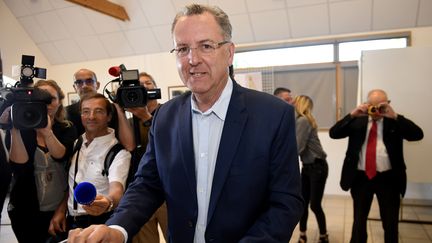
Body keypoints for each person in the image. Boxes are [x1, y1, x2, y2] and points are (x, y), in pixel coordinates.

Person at [67, 4, 303, 243]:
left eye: (206, 46)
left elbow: (285, 203)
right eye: (182, 48)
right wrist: (117, 229)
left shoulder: (273, 115)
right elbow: (148, 184)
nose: (193, 59)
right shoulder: (165, 116)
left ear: (229, 53)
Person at [329, 89, 423, 243]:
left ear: (388, 104)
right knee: (359, 221)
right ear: (366, 104)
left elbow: (417, 134)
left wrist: (396, 116)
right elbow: (334, 133)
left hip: (388, 179)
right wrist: (352, 114)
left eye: (380, 106)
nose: (376, 110)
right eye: (372, 105)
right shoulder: (358, 120)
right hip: (361, 178)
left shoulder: (394, 121)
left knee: (390, 222)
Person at [5, 80, 77, 243]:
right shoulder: (20, 128)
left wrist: (47, 132)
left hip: (59, 206)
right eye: (39, 97)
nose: (44, 103)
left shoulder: (67, 127)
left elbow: (61, 156)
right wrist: (14, 130)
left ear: (59, 102)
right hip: (25, 208)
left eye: (50, 98)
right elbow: (19, 166)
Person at [50, 93, 131, 236]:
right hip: (72, 223)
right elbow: (73, 182)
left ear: (109, 117)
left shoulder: (118, 152)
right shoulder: (78, 143)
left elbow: (117, 190)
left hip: (102, 224)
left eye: (98, 111)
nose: (91, 117)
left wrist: (108, 202)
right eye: (86, 111)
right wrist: (61, 210)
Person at [126, 72, 168, 243]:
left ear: (155, 88)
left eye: (148, 83)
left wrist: (146, 117)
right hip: (142, 190)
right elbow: (128, 146)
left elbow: (169, 144)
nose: (144, 86)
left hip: (168, 191)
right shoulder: (130, 122)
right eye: (139, 84)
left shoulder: (168, 112)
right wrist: (120, 109)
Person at [65, 68, 135, 151]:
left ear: (97, 85)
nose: (84, 86)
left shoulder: (113, 108)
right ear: (74, 87)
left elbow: (129, 146)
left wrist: (119, 109)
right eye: (79, 82)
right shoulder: (66, 113)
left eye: (89, 81)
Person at [293, 95, 329, 243]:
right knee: (303, 204)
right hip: (309, 167)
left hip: (317, 167)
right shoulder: (303, 120)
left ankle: (323, 235)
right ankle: (302, 235)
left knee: (314, 204)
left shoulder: (302, 121)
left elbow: (298, 148)